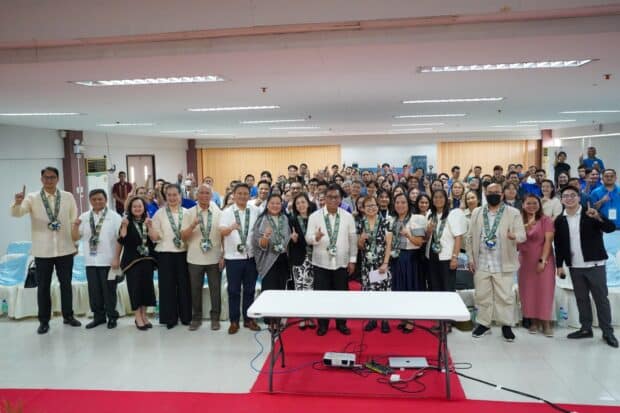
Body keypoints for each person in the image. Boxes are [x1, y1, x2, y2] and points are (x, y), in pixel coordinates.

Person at [11, 167, 81, 334]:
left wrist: (75, 242)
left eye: (53, 177)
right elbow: (17, 214)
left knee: (66, 285)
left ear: (58, 179)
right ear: (41, 179)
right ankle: (44, 321)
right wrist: (17, 203)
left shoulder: (67, 197)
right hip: (42, 251)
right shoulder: (32, 198)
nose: (49, 180)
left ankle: (68, 316)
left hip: (65, 249)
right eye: (46, 177)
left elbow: (73, 221)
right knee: (43, 287)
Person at [554, 186, 618, 348]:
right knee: (581, 298)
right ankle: (586, 328)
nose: (569, 198)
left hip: (595, 264)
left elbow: (610, 228)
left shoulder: (590, 213)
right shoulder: (560, 220)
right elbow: (560, 245)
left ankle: (607, 332)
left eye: (572, 195)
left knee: (601, 299)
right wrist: (559, 265)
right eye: (565, 196)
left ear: (578, 197)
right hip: (575, 266)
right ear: (561, 199)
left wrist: (598, 216)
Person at [467, 183, 526, 342]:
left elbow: (522, 235)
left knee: (505, 296)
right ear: (485, 193)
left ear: (502, 194)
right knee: (482, 295)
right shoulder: (477, 212)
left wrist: (514, 236)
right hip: (482, 262)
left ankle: (506, 325)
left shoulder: (512, 212)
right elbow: (470, 237)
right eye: (490, 192)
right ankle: (484, 324)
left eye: (497, 192)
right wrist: (471, 259)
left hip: (503, 262)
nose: (493, 194)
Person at [305, 184, 357, 336]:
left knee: (341, 295)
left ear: (341, 199)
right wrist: (316, 237)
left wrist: (352, 260)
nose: (333, 200)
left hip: (341, 263)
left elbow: (352, 239)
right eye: (330, 197)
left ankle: (341, 323)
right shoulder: (315, 216)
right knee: (322, 297)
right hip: (321, 263)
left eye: (336, 197)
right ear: (324, 198)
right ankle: (323, 324)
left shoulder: (347, 216)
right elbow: (308, 238)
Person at [71, 189, 122, 329]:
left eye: (100, 199)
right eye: (94, 199)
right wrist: (75, 225)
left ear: (105, 200)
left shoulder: (114, 216)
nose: (97, 202)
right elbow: (75, 237)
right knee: (94, 292)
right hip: (91, 261)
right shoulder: (85, 216)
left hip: (109, 261)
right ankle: (99, 317)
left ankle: (112, 316)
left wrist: (117, 258)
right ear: (90, 201)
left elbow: (121, 238)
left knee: (109, 291)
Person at [180, 184, 224, 331]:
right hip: (195, 258)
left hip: (214, 257)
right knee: (195, 289)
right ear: (196, 195)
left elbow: (223, 234)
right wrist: (193, 225)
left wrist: (223, 255)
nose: (204, 195)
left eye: (207, 193)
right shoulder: (189, 213)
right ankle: (196, 318)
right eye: (201, 193)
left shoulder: (218, 212)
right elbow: (183, 236)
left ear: (211, 196)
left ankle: (215, 318)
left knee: (215, 289)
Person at [219, 183, 261, 334]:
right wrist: (231, 228)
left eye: (245, 193)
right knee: (233, 290)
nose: (243, 196)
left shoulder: (255, 211)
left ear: (249, 195)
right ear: (234, 195)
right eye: (240, 193)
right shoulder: (227, 212)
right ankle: (234, 321)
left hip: (251, 257)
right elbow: (222, 231)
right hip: (233, 257)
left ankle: (249, 319)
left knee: (250, 290)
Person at [149, 184, 191, 329]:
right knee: (167, 287)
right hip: (165, 254)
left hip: (183, 254)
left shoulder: (187, 213)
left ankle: (186, 317)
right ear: (166, 197)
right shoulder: (159, 213)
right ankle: (169, 318)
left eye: (175, 195)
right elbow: (155, 236)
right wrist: (149, 227)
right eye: (169, 195)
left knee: (184, 286)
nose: (172, 198)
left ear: (180, 196)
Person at [518, 194, 556, 337]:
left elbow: (548, 241)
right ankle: (533, 321)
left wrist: (543, 260)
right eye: (528, 203)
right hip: (525, 261)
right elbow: (513, 237)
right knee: (528, 291)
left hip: (543, 260)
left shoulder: (545, 220)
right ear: (523, 205)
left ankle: (546, 323)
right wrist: (525, 226)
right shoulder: (519, 220)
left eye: (535, 203)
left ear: (539, 205)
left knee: (545, 290)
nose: (532, 206)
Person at [252, 194, 292, 328]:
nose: (275, 206)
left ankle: (279, 318)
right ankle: (270, 322)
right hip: (268, 260)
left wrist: (293, 239)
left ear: (282, 205)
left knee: (281, 290)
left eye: (278, 203)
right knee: (269, 291)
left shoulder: (285, 219)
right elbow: (258, 244)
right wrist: (266, 237)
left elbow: (288, 238)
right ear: (267, 205)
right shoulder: (261, 220)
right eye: (272, 203)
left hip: (283, 259)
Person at [118, 196, 157, 330]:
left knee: (147, 289)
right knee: (135, 289)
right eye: (134, 206)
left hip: (147, 261)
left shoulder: (148, 221)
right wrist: (124, 226)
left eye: (140, 206)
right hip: (132, 262)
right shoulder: (126, 221)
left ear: (143, 207)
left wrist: (150, 226)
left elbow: (154, 238)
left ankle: (144, 315)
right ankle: (137, 317)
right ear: (130, 208)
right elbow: (122, 239)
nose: (137, 208)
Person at [390, 193, 426, 334]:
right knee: (400, 289)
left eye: (403, 202)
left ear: (408, 204)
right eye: (397, 202)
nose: (400, 205)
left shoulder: (416, 218)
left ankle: (411, 321)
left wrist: (408, 235)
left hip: (410, 258)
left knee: (410, 289)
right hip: (397, 258)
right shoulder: (393, 220)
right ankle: (404, 319)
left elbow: (419, 242)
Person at [357, 196, 393, 333]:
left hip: (381, 264)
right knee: (370, 293)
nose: (371, 208)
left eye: (373, 205)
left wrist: (385, 263)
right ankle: (372, 319)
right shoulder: (361, 223)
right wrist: (361, 239)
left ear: (377, 207)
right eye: (368, 206)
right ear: (363, 209)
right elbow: (359, 246)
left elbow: (389, 244)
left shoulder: (386, 222)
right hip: (367, 264)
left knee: (383, 293)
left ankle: (385, 320)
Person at [426, 190, 467, 293]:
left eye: (441, 197)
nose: (438, 199)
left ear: (446, 199)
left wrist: (454, 258)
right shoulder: (430, 214)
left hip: (447, 257)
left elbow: (458, 237)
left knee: (447, 288)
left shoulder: (453, 214)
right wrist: (428, 231)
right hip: (431, 256)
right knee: (434, 287)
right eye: (435, 197)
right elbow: (426, 238)